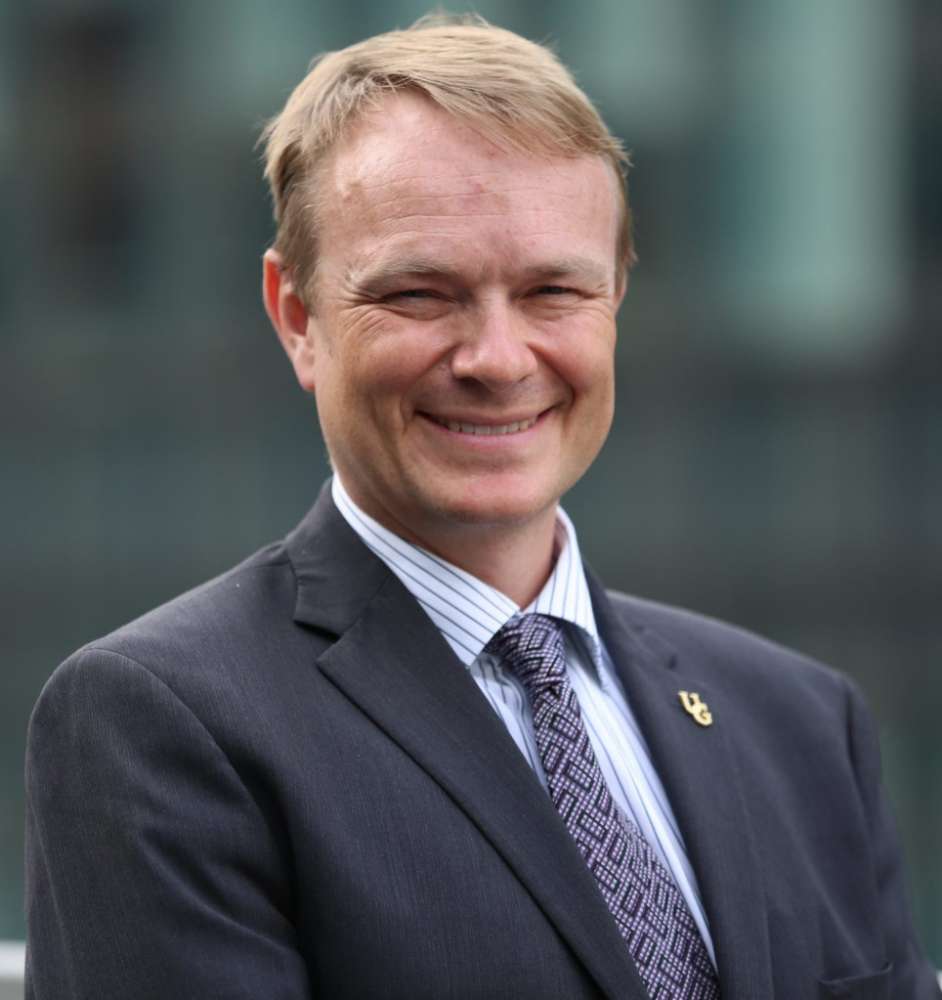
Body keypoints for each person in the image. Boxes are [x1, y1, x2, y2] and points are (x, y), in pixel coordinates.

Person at [24, 14, 939, 1000]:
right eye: (421, 294)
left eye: (553, 291)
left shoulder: (802, 724)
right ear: (297, 316)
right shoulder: (161, 722)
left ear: (617, 295)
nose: (499, 360)